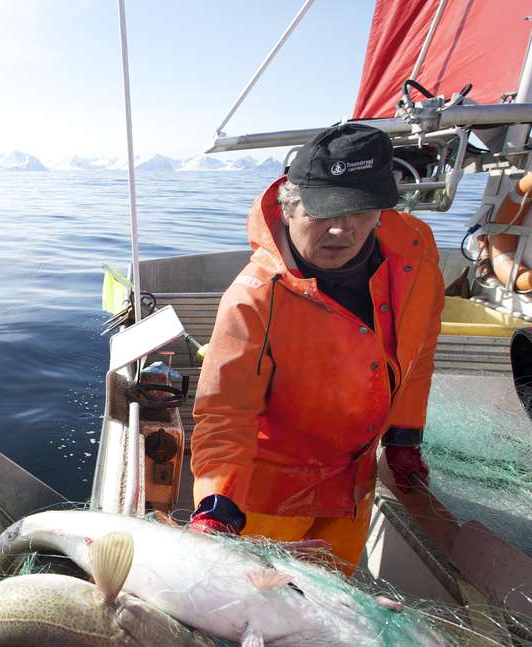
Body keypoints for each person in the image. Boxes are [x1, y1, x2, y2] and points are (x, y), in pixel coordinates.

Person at [188, 123, 445, 575]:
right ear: (289, 207)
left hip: (353, 491)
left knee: (331, 609)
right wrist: (216, 504)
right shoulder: (253, 298)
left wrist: (405, 436)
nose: (341, 229)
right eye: (322, 211)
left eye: (360, 211)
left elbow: (418, 355)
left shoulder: (416, 256)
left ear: (382, 211)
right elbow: (225, 414)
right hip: (267, 500)